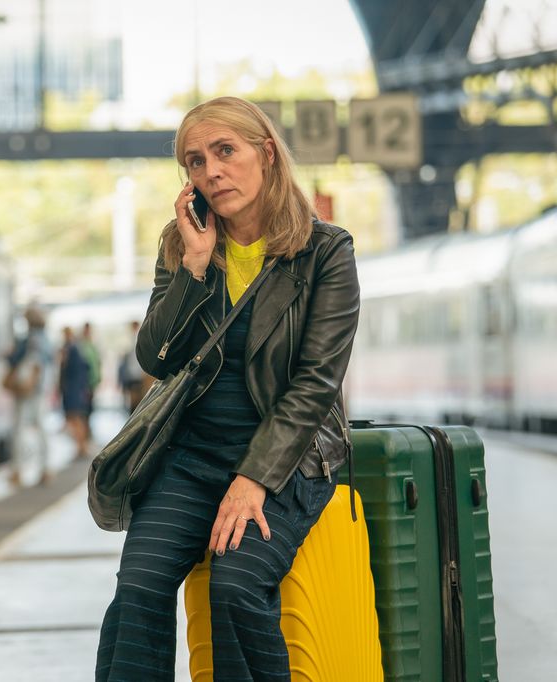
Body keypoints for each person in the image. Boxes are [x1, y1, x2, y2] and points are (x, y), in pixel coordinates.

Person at [95, 96, 360, 681]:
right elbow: (155, 357)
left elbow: (317, 384)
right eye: (194, 161)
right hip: (193, 459)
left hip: (287, 461)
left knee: (236, 590)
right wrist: (193, 267)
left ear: (265, 154)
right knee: (137, 587)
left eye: (224, 151)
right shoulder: (184, 244)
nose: (210, 171)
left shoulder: (326, 252)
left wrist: (254, 478)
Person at [4, 306, 52, 487]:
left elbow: (33, 362)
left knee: (19, 430)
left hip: (27, 391)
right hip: (39, 391)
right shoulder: (46, 339)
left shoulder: (31, 340)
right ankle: (45, 468)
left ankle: (17, 471)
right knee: (41, 429)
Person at [58, 325, 91, 459]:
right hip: (76, 388)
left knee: (76, 418)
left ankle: (82, 446)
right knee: (76, 418)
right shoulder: (76, 348)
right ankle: (81, 446)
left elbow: (67, 370)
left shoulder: (71, 349)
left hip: (73, 389)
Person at [78, 321, 102, 439]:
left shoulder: (92, 346)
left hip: (92, 383)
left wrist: (98, 379)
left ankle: (87, 431)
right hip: (85, 384)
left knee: (90, 409)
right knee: (84, 410)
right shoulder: (81, 347)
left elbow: (97, 363)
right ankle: (84, 434)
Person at [117, 320, 147, 413]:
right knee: (135, 403)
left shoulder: (138, 339)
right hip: (135, 376)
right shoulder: (133, 339)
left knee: (136, 403)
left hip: (137, 376)